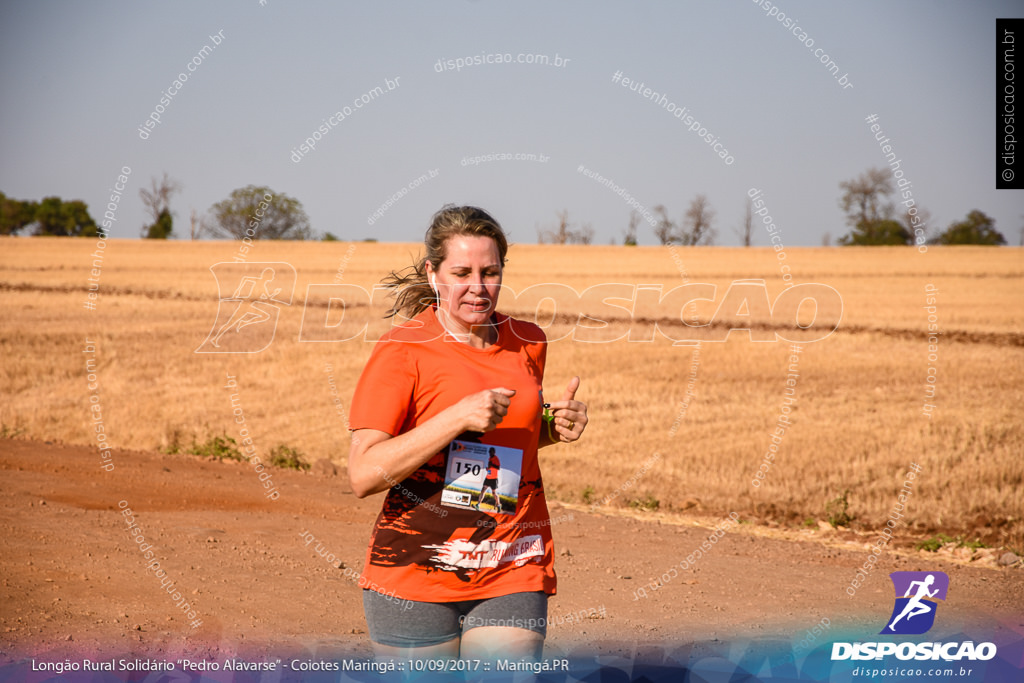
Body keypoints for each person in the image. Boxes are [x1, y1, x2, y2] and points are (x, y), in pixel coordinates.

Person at [347, 205, 588, 661]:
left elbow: (503, 443)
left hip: (513, 559)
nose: (478, 288)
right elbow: (363, 473)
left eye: (490, 272)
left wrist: (554, 427)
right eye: (462, 273)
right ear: (433, 273)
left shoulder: (528, 340)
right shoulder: (403, 350)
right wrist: (455, 416)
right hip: (415, 567)